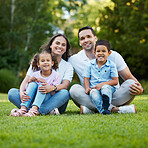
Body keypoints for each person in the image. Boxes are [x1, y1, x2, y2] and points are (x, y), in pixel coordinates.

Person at [68, 26, 143, 114]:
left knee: (131, 83)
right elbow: (59, 65)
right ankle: (115, 109)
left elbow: (128, 76)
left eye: (89, 36)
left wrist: (140, 88)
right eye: (82, 38)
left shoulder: (113, 55)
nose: (86, 40)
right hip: (91, 95)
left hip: (114, 95)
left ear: (95, 38)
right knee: (74, 90)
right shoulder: (74, 59)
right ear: (80, 42)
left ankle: (92, 109)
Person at [8, 34, 73, 116]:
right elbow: (26, 80)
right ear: (51, 45)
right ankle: (42, 111)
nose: (60, 46)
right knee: (12, 93)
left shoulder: (68, 66)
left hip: (52, 99)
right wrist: (21, 93)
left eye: (63, 45)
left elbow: (65, 85)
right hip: (34, 97)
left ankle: (35, 111)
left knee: (64, 93)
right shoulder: (38, 61)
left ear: (66, 48)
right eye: (57, 43)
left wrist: (51, 88)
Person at [10, 50, 61, 117]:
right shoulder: (35, 74)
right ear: (38, 64)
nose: (45, 62)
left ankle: (33, 110)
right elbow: (29, 90)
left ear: (52, 63)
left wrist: (44, 82)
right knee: (32, 84)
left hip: (47, 99)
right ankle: (23, 109)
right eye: (42, 61)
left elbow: (54, 91)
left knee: (42, 86)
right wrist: (30, 82)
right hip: (34, 98)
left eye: (48, 60)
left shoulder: (56, 75)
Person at [84, 39, 118, 115]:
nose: (101, 53)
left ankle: (106, 105)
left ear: (109, 53)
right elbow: (86, 78)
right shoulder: (90, 64)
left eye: (103, 51)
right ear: (94, 52)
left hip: (108, 87)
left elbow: (115, 81)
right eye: (98, 51)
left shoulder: (111, 65)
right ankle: (103, 110)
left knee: (105, 89)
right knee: (93, 93)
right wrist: (87, 88)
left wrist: (101, 85)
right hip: (94, 88)